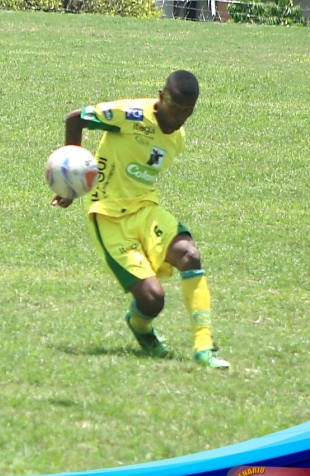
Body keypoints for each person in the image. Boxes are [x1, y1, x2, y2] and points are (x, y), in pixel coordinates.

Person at [50, 70, 230, 369]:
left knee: (190, 255)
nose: (180, 118)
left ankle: (204, 347)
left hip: (145, 208)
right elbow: (75, 118)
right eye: (175, 108)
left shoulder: (177, 139)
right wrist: (72, 178)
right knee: (152, 300)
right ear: (161, 97)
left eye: (187, 111)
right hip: (107, 214)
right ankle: (140, 327)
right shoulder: (130, 115)